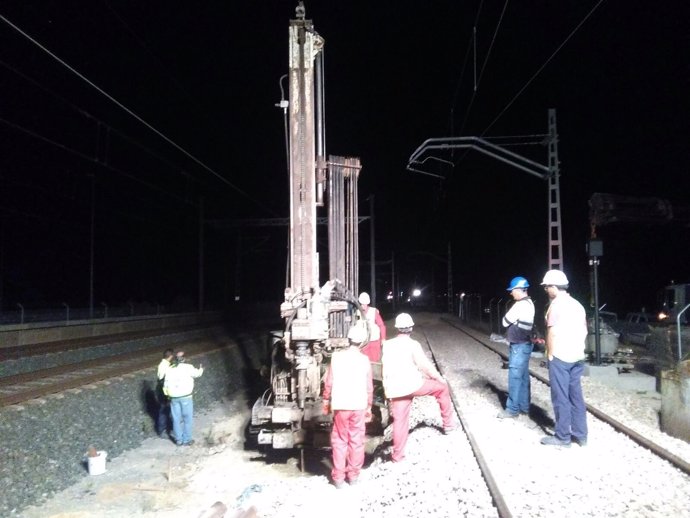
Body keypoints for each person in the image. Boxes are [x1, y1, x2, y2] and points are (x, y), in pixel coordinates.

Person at [381, 313, 456, 463]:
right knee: (441, 388)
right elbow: (425, 366)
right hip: (413, 385)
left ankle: (398, 456)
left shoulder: (387, 345)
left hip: (395, 389)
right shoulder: (413, 344)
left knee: (400, 421)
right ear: (411, 328)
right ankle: (448, 425)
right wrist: (439, 378)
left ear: (397, 328)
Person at [540, 269, 588, 447]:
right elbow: (585, 330)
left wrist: (550, 354)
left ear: (554, 286)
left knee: (560, 397)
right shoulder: (578, 305)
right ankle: (581, 435)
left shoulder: (556, 306)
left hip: (561, 356)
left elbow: (551, 332)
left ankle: (562, 437)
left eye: (546, 287)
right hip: (577, 356)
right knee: (576, 396)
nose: (546, 290)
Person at [322, 326, 374, 488]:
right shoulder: (364, 360)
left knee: (339, 441)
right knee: (356, 441)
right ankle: (353, 477)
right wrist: (369, 407)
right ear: (360, 343)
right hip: (359, 405)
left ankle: (338, 479)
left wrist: (326, 401)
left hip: (341, 405)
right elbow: (369, 387)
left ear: (348, 339)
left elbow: (329, 382)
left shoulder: (336, 357)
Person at [497, 276, 535, 419]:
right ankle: (524, 407)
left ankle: (512, 409)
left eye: (512, 290)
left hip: (519, 345)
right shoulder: (530, 303)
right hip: (525, 343)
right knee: (524, 377)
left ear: (519, 290)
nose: (511, 293)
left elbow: (505, 321)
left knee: (515, 376)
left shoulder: (520, 305)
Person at [163, 350, 204, 446]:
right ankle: (187, 439)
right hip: (186, 397)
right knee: (187, 419)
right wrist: (201, 369)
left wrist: (168, 396)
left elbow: (165, 384)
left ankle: (179, 440)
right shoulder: (188, 367)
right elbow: (197, 374)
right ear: (184, 358)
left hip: (173, 397)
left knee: (176, 419)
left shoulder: (170, 369)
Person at [356, 292, 387, 362]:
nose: (364, 305)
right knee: (365, 361)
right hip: (363, 341)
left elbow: (381, 325)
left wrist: (383, 338)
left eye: (365, 303)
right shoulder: (357, 312)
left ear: (368, 303)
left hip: (374, 340)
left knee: (375, 360)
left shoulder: (374, 311)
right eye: (362, 303)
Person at [156, 348, 174, 437]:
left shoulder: (162, 364)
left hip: (161, 390)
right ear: (170, 356)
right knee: (164, 410)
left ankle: (164, 428)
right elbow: (165, 380)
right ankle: (162, 430)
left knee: (164, 409)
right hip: (164, 391)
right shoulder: (166, 366)